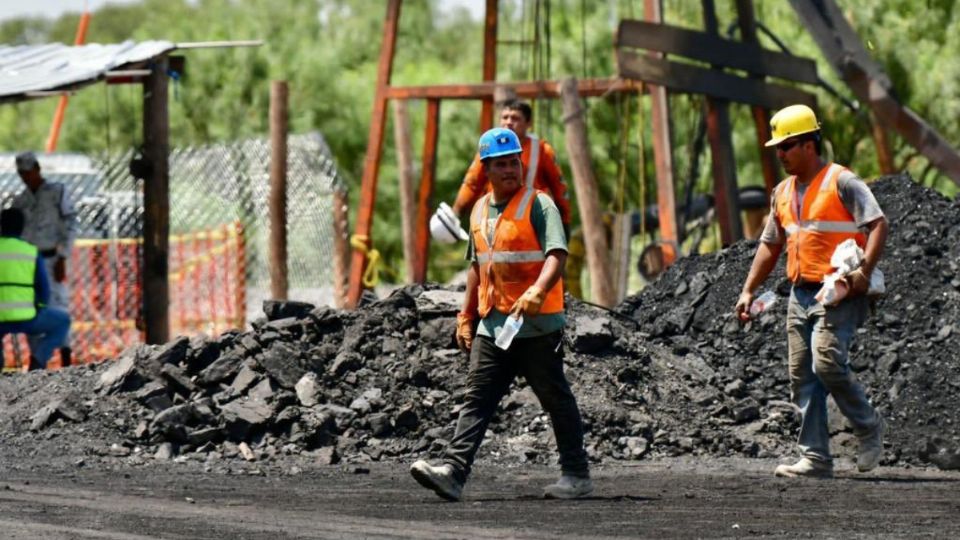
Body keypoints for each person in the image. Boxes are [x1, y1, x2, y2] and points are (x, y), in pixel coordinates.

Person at [410, 127, 592, 501]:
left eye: (515, 163)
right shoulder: (478, 210)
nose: (511, 170)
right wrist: (465, 316)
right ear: (486, 169)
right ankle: (454, 474)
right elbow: (478, 266)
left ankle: (576, 474)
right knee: (477, 398)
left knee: (555, 398)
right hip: (493, 326)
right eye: (502, 164)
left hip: (537, 326)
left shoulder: (539, 205)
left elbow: (557, 254)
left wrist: (538, 291)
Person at [734, 104, 887, 478]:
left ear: (808, 144)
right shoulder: (782, 192)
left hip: (839, 290)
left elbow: (878, 223)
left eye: (786, 146)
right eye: (778, 148)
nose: (780, 154)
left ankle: (868, 427)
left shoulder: (842, 181)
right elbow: (770, 245)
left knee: (827, 362)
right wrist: (748, 290)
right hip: (799, 294)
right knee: (801, 374)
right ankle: (815, 457)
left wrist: (864, 273)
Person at [448, 99, 572, 239]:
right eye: (505, 117)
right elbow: (472, 183)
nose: (508, 122)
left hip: (532, 218)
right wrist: (455, 214)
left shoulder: (542, 150)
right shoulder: (488, 150)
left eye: (515, 118)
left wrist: (564, 221)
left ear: (529, 123)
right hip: (495, 217)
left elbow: (559, 187)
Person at [12, 151, 76, 367]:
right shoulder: (20, 201)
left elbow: (69, 225)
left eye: (28, 172)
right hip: (27, 261)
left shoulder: (57, 192)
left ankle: (66, 356)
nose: (26, 177)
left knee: (58, 305)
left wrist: (63, 256)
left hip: (51, 258)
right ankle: (37, 361)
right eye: (22, 174)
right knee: (32, 307)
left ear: (37, 169)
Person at [0, 208, 71, 371]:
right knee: (63, 321)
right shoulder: (30, 252)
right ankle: (38, 359)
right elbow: (44, 289)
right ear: (22, 228)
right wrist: (39, 308)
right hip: (26, 317)